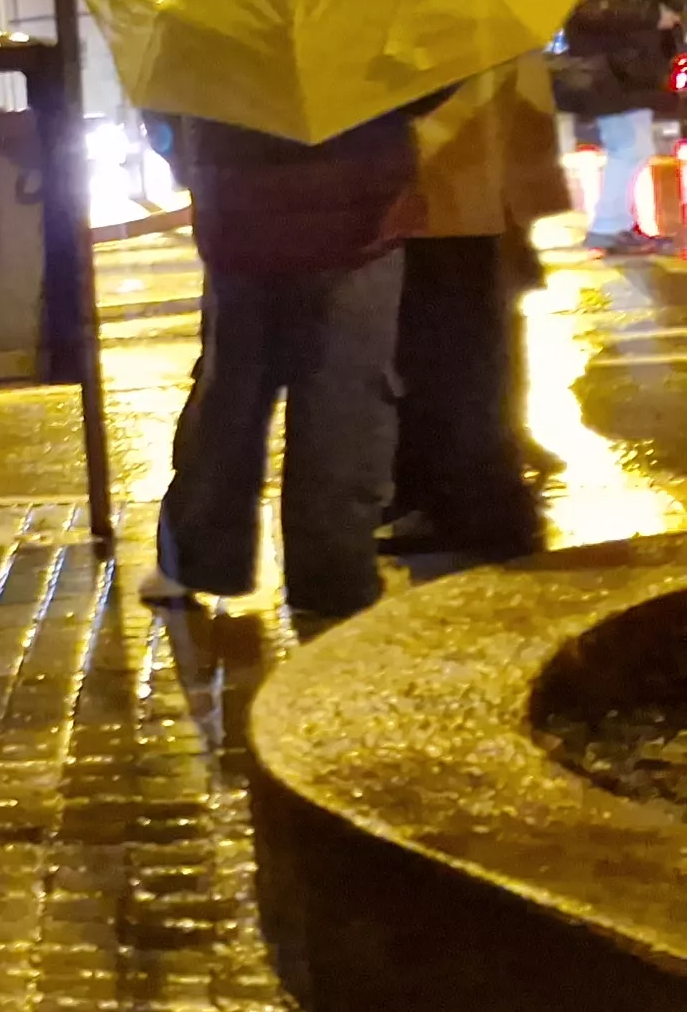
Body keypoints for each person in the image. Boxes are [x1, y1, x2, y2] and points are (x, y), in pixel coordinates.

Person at [145, 102, 428, 623]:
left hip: (236, 208)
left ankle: (192, 561)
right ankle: (333, 579)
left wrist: (193, 166)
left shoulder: (205, 19)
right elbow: (420, 81)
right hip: (357, 212)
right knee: (342, 397)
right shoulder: (356, 20)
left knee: (232, 387)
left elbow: (163, 96)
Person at [389, 62, 569, 567]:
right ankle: (467, 497)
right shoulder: (479, 3)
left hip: (441, 196)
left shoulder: (443, 11)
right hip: (469, 193)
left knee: (450, 356)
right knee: (471, 346)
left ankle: (471, 506)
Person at [552, 0, 677, 255]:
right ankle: (608, 228)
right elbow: (587, 14)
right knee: (628, 147)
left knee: (635, 149)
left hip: (634, 78)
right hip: (609, 77)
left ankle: (617, 224)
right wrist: (651, 15)